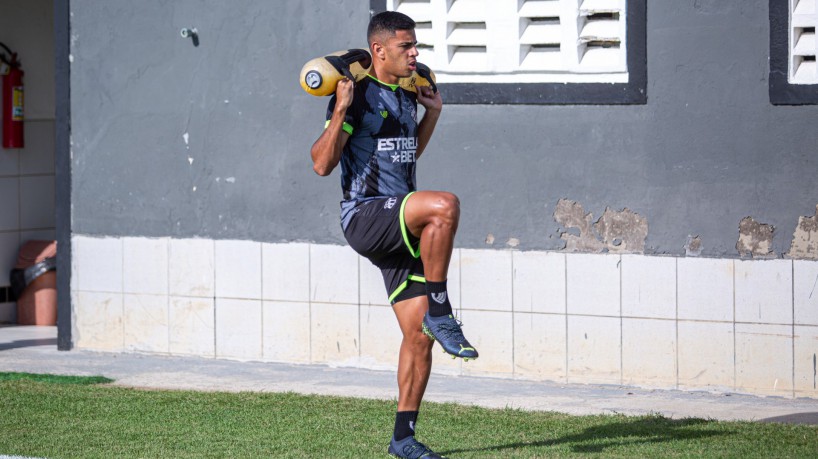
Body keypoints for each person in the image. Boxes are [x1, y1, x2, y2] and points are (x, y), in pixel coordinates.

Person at [309, 10, 478, 459]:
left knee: (418, 337)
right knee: (444, 205)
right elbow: (322, 164)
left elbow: (406, 154)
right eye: (406, 46)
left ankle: (403, 439)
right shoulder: (358, 96)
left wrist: (433, 114)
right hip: (365, 217)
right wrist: (339, 110)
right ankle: (442, 310)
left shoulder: (406, 95)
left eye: (415, 45)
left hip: (398, 219)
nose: (415, 53)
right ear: (379, 50)